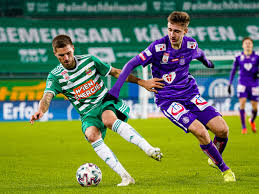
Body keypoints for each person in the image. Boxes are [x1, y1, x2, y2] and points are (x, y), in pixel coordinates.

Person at [103, 11, 236, 182]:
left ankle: (214, 157)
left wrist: (207, 63)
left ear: (185, 31)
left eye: (177, 31)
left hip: (190, 94)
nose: (172, 34)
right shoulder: (158, 48)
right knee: (201, 131)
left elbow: (200, 53)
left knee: (223, 129)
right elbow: (130, 64)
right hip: (168, 100)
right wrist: (115, 91)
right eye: (170, 30)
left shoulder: (191, 45)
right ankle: (225, 169)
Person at [30, 34, 164, 186]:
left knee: (108, 120)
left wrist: (142, 82)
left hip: (105, 101)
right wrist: (41, 110)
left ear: (73, 48)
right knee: (91, 135)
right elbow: (47, 96)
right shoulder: (55, 76)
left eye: (68, 53)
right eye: (61, 55)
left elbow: (116, 72)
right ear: (55, 54)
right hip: (87, 114)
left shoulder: (89, 60)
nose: (66, 58)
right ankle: (125, 176)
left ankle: (149, 149)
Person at [228, 37, 259, 134]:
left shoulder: (257, 56)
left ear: (252, 45)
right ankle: (244, 127)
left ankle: (252, 120)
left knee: (255, 107)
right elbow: (233, 70)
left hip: (254, 84)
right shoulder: (238, 57)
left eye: (249, 43)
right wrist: (229, 83)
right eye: (246, 43)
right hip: (242, 83)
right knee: (242, 103)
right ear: (243, 45)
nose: (248, 45)